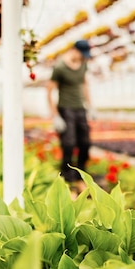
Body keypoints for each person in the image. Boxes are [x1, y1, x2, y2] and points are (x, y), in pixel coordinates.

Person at [47, 39, 93, 192]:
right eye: (82, 54)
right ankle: (67, 179)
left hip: (80, 108)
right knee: (68, 144)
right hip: (66, 109)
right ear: (74, 50)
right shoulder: (60, 67)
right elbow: (49, 90)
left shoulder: (83, 64)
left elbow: (84, 84)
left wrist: (90, 105)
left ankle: (81, 175)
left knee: (85, 143)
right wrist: (55, 115)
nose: (83, 58)